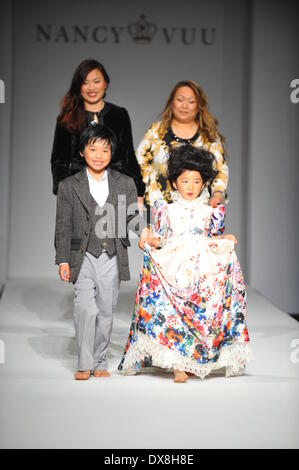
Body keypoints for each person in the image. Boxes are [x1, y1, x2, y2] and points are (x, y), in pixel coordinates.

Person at [118, 145, 253, 383]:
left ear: (204, 184)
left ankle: (194, 359)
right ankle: (178, 364)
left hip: (202, 271)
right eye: (185, 181)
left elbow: (212, 239)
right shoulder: (164, 210)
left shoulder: (211, 213)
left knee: (200, 315)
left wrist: (225, 239)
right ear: (174, 183)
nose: (190, 187)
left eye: (196, 181)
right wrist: (148, 240)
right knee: (173, 313)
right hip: (173, 268)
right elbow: (161, 238)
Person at [55, 124, 147, 380]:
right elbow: (63, 224)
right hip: (82, 256)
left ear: (112, 153)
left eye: (104, 150)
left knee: (106, 310)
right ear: (82, 151)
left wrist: (144, 233)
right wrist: (62, 260)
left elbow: (130, 216)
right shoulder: (68, 186)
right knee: (85, 308)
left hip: (112, 255)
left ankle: (100, 360)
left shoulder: (125, 183)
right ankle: (84, 363)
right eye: (92, 148)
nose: (98, 154)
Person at [51, 59, 145, 204]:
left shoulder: (119, 114)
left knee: (117, 226)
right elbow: (59, 161)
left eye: (96, 81)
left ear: (105, 83)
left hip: (116, 188)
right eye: (85, 82)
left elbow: (128, 156)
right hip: (79, 190)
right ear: (78, 86)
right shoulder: (68, 117)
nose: (91, 88)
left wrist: (138, 192)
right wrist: (64, 190)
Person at [136, 80, 228, 208]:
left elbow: (220, 170)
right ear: (171, 102)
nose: (184, 106)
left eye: (191, 101)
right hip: (157, 207)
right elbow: (139, 164)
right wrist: (139, 197)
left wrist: (217, 194)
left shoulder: (208, 135)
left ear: (199, 106)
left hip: (197, 211)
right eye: (180, 100)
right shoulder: (157, 131)